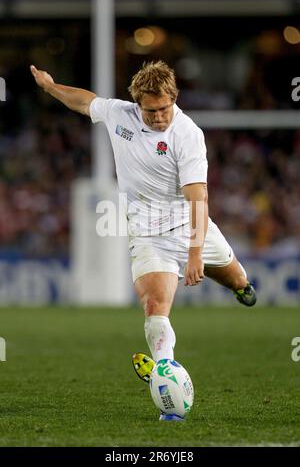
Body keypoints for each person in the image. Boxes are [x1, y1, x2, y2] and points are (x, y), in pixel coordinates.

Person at [30, 61, 256, 421]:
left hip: (191, 226)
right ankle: (165, 375)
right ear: (137, 105)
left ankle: (240, 285)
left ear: (174, 99)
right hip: (148, 233)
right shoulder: (122, 116)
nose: (158, 117)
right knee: (154, 306)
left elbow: (198, 199)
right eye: (150, 111)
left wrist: (195, 254)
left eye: (164, 108)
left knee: (238, 281)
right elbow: (84, 101)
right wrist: (50, 87)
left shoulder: (187, 134)